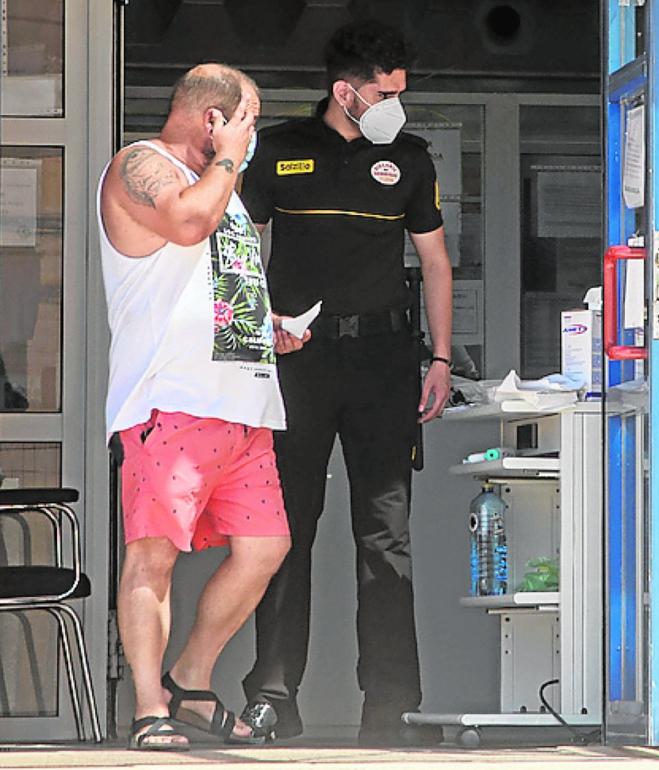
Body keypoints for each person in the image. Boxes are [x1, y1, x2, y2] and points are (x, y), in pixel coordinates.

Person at [238, 19, 454, 746]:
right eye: (386, 92)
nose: (398, 103)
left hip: (383, 363)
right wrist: (252, 334)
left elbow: (434, 263)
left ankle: (391, 705)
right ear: (345, 91)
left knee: (384, 536)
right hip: (295, 364)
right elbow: (238, 250)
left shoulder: (411, 160)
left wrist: (442, 358)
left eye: (401, 90)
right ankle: (272, 696)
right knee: (283, 534)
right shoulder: (279, 150)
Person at [98, 63, 308, 750]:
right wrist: (226, 160)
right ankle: (150, 706)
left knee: (266, 547)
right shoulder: (142, 165)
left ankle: (191, 675)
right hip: (172, 404)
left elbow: (213, 275)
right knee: (152, 555)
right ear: (214, 118)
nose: (253, 135)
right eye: (248, 118)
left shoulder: (227, 189)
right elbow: (186, 227)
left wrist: (265, 322)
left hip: (242, 406)